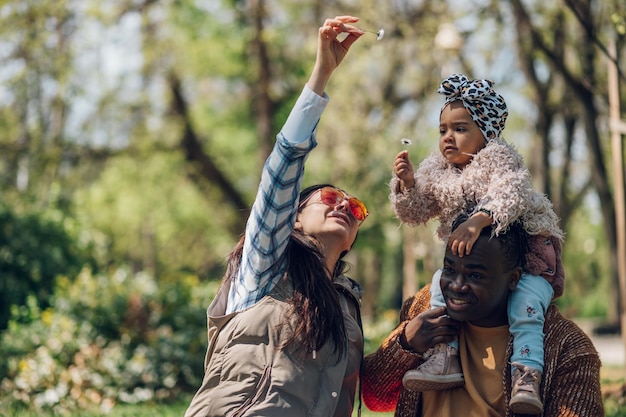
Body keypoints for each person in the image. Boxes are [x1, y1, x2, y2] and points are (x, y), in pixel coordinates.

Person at [184, 16, 368, 417]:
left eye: (355, 209)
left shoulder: (348, 307)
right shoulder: (268, 263)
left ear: (353, 236)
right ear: (295, 218)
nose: (344, 207)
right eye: (330, 196)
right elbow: (282, 169)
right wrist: (322, 74)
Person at [389, 74, 565, 413]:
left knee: (524, 306)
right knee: (440, 293)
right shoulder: (439, 170)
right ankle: (445, 357)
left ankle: (526, 375)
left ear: (486, 131)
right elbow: (416, 213)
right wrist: (408, 185)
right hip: (472, 262)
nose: (448, 138)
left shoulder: (498, 158)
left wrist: (478, 219)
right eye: (443, 130)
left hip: (528, 259)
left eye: (460, 128)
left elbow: (511, 192)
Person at [361, 215, 604, 417]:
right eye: (449, 269)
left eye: (475, 275)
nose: (456, 285)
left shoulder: (568, 347)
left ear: (514, 278)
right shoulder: (424, 309)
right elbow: (374, 398)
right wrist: (406, 343)